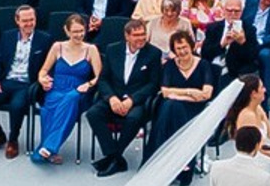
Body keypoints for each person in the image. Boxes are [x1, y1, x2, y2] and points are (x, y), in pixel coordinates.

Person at [92, 18, 163, 175]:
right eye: (136, 35)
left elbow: (153, 84)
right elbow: (103, 79)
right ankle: (114, 156)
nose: (141, 38)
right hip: (115, 97)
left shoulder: (153, 53)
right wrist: (111, 98)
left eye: (143, 34)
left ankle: (114, 158)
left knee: (133, 118)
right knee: (93, 114)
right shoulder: (112, 50)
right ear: (127, 36)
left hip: (138, 101)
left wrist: (132, 100)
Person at [0, 2, 47, 157]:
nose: (29, 24)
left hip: (27, 83)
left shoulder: (45, 39)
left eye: (32, 20)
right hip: (6, 80)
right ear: (17, 21)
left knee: (17, 106)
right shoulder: (7, 36)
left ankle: (13, 140)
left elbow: (48, 66)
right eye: (25, 21)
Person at [30, 14, 100, 165]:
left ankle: (49, 146)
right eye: (75, 31)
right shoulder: (57, 47)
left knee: (70, 98)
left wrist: (88, 85)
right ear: (67, 31)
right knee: (47, 109)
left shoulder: (91, 49)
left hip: (78, 91)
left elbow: (99, 77)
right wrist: (42, 79)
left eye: (81, 31)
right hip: (56, 88)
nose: (79, 35)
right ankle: (48, 150)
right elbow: (43, 71)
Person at [149, 28, 219, 176]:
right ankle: (179, 162)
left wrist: (177, 95)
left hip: (195, 109)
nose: (182, 51)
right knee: (171, 105)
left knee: (171, 105)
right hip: (173, 108)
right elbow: (165, 91)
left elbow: (206, 94)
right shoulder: (169, 66)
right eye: (178, 48)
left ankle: (164, 160)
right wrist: (190, 92)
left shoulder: (203, 65)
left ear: (191, 46)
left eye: (184, 47)